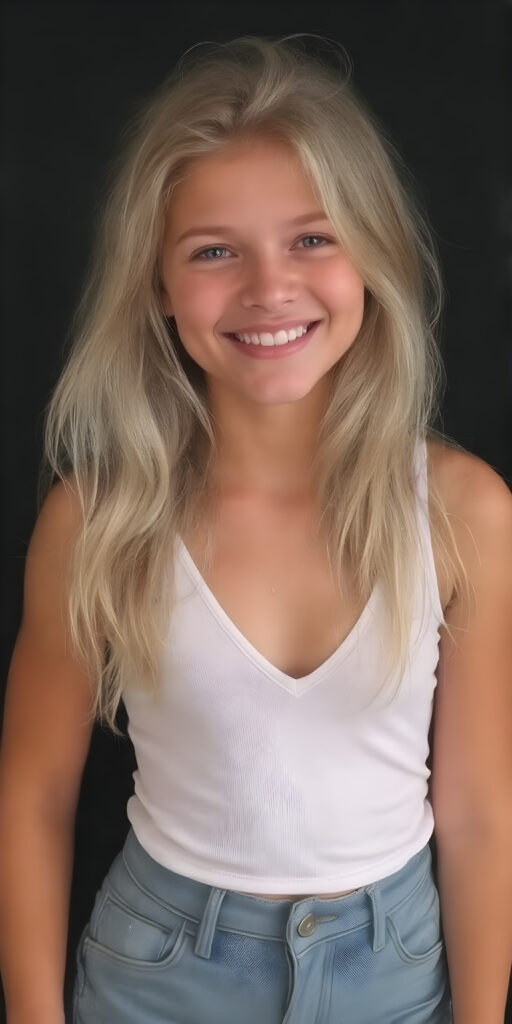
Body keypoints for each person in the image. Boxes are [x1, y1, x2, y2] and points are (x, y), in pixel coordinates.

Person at [1, 32, 511, 1024]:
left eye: (311, 238)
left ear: (372, 255)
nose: (267, 288)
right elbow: (33, 793)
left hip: (393, 971)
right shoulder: (100, 517)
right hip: (160, 973)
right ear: (156, 286)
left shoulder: (463, 513)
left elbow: (481, 814)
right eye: (213, 251)